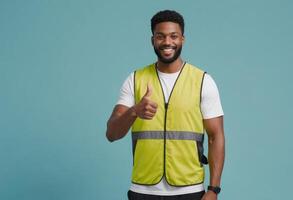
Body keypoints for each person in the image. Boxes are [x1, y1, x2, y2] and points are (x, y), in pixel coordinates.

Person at [106, 10, 225, 200]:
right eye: (160, 36)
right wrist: (134, 111)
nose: (167, 42)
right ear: (152, 40)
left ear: (183, 39)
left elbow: (215, 136)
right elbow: (112, 134)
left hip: (189, 190)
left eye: (173, 36)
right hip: (143, 191)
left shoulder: (203, 80)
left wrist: (214, 189)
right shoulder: (135, 79)